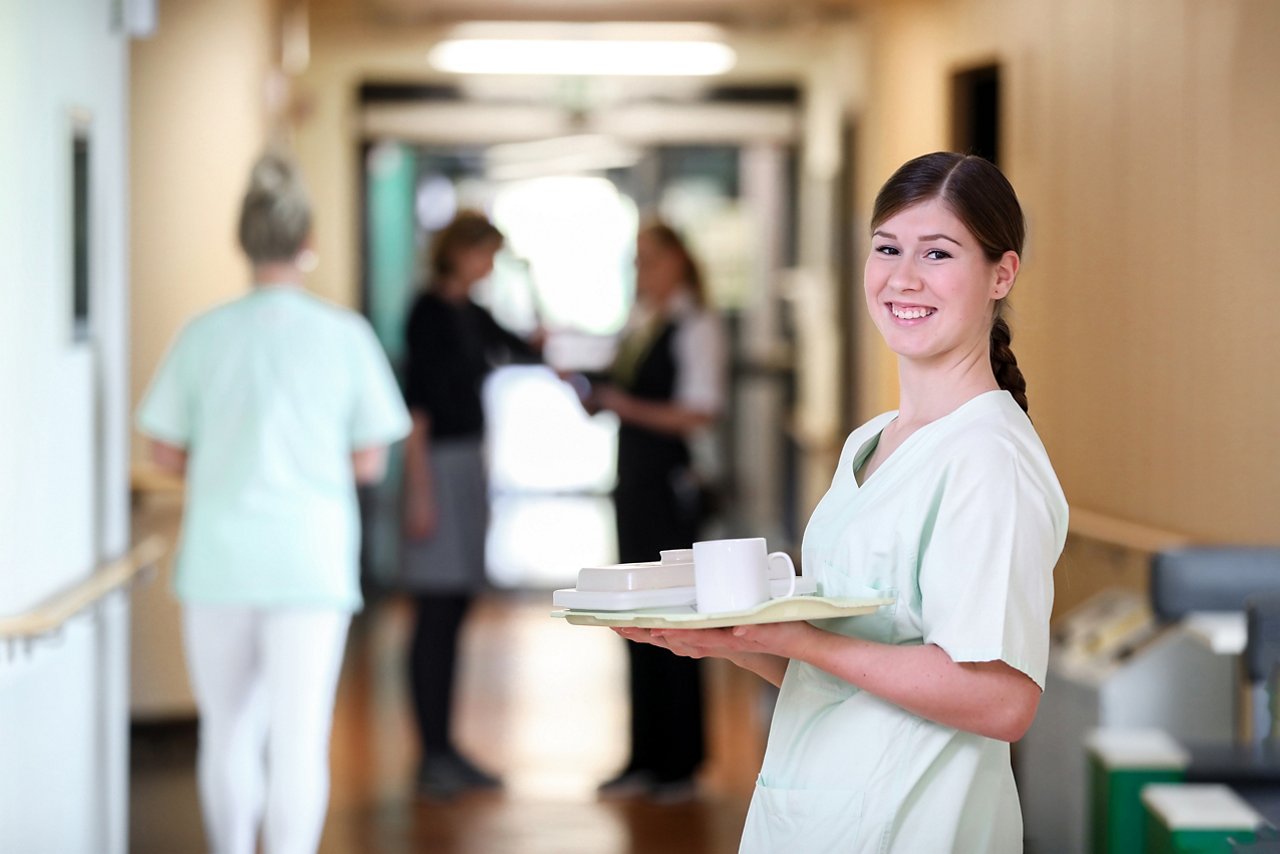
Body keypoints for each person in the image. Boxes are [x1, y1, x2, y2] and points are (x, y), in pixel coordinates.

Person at [615, 152, 1068, 850]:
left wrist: (795, 637)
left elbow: (1002, 699)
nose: (903, 277)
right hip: (817, 815)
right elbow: (843, 667)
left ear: (1001, 274)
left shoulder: (987, 459)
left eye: (938, 253)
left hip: (912, 829)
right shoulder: (874, 441)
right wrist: (739, 642)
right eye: (887, 248)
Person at [136, 151, 411, 854]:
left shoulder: (203, 334)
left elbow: (163, 450)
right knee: (298, 738)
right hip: (309, 562)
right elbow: (370, 458)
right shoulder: (343, 335)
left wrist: (226, 459)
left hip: (221, 562)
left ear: (244, 238)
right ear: (307, 239)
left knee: (226, 731)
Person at [400, 210, 542, 798]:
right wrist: (419, 491)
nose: (489, 266)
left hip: (468, 465)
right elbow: (417, 410)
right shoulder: (427, 313)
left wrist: (533, 291)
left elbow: (527, 349)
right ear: (459, 251)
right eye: (485, 253)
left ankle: (446, 748)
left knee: (455, 607)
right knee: (435, 611)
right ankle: (431, 753)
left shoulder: (472, 314)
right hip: (433, 466)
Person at [592, 220, 729, 800]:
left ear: (678, 259)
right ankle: (644, 754)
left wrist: (626, 405)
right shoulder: (640, 322)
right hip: (633, 484)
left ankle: (680, 762)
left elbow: (701, 410)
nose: (639, 272)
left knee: (678, 617)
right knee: (638, 615)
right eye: (634, 261)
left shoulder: (696, 325)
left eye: (648, 260)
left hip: (671, 486)